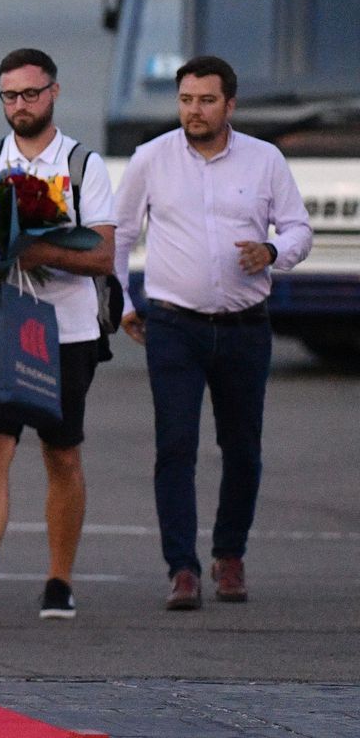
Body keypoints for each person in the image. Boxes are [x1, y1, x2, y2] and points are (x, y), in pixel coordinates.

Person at [113, 55, 312, 610]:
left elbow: (298, 229)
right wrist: (121, 302)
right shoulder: (152, 158)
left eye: (206, 101)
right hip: (174, 325)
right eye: (185, 100)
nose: (194, 111)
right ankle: (182, 568)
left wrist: (272, 250)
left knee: (242, 448)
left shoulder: (264, 159)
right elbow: (119, 236)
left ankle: (230, 556)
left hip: (246, 326)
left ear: (230, 104)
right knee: (175, 446)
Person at [0, 48, 116, 622]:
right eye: (10, 96)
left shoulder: (83, 164)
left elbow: (104, 255)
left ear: (54, 93)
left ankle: (60, 580)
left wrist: (37, 250)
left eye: (31, 94)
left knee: (61, 454)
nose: (20, 105)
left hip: (68, 330)